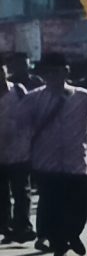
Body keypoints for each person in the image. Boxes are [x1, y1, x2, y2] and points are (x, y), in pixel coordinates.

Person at [25, 53, 87, 256]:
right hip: (46, 164)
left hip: (77, 163)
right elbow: (19, 125)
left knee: (84, 201)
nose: (53, 77)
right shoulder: (33, 99)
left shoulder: (83, 96)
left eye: (57, 72)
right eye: (48, 73)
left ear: (66, 72)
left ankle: (73, 233)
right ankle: (60, 246)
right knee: (53, 206)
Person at [0, 51, 34, 243]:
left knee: (22, 191)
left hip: (20, 152)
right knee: (2, 194)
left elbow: (32, 114)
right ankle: (6, 226)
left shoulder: (18, 91)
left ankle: (23, 225)